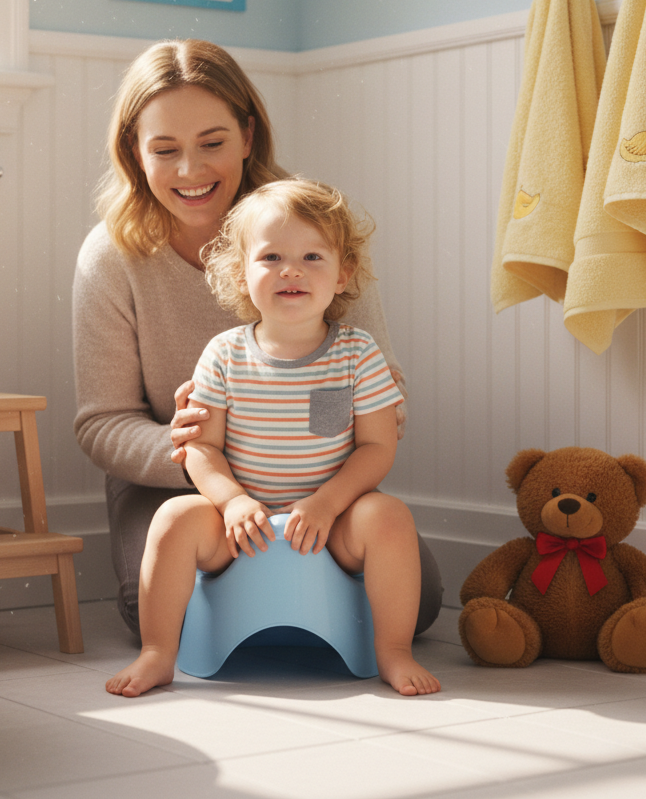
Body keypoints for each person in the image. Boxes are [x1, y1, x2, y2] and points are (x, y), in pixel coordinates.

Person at [71, 39, 441, 638]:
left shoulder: (315, 230)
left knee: (413, 603)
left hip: (315, 481)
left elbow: (376, 390)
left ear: (248, 135)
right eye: (165, 150)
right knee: (168, 612)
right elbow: (102, 422)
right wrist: (205, 457)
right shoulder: (112, 258)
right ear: (135, 154)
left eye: (212, 143)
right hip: (183, 483)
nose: (191, 171)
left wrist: (308, 470)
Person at [106, 179, 441, 697]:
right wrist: (233, 501)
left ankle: (394, 650)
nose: (292, 270)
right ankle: (158, 652)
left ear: (343, 272)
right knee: (173, 517)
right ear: (241, 275)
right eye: (271, 258)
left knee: (390, 517)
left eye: (312, 256)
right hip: (241, 523)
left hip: (333, 522)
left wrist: (328, 504)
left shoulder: (356, 354)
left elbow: (377, 447)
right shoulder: (224, 354)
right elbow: (202, 447)